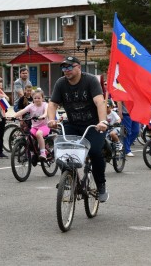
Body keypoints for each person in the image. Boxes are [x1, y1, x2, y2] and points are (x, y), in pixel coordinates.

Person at [47, 56, 109, 202]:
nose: (66, 71)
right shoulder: (61, 83)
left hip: (93, 125)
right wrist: (51, 119)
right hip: (73, 124)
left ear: (79, 67)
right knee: (62, 148)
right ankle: (68, 177)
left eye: (69, 67)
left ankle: (101, 185)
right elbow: (52, 104)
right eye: (63, 68)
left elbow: (99, 101)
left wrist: (102, 122)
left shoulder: (90, 80)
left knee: (94, 152)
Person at [15, 88, 50, 160]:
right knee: (29, 138)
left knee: (38, 134)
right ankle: (32, 152)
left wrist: (43, 116)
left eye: (39, 98)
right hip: (34, 127)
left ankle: (43, 152)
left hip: (44, 126)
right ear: (33, 99)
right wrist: (13, 116)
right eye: (35, 98)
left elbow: (46, 112)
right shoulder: (31, 106)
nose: (37, 99)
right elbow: (22, 111)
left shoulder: (45, 105)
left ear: (42, 98)